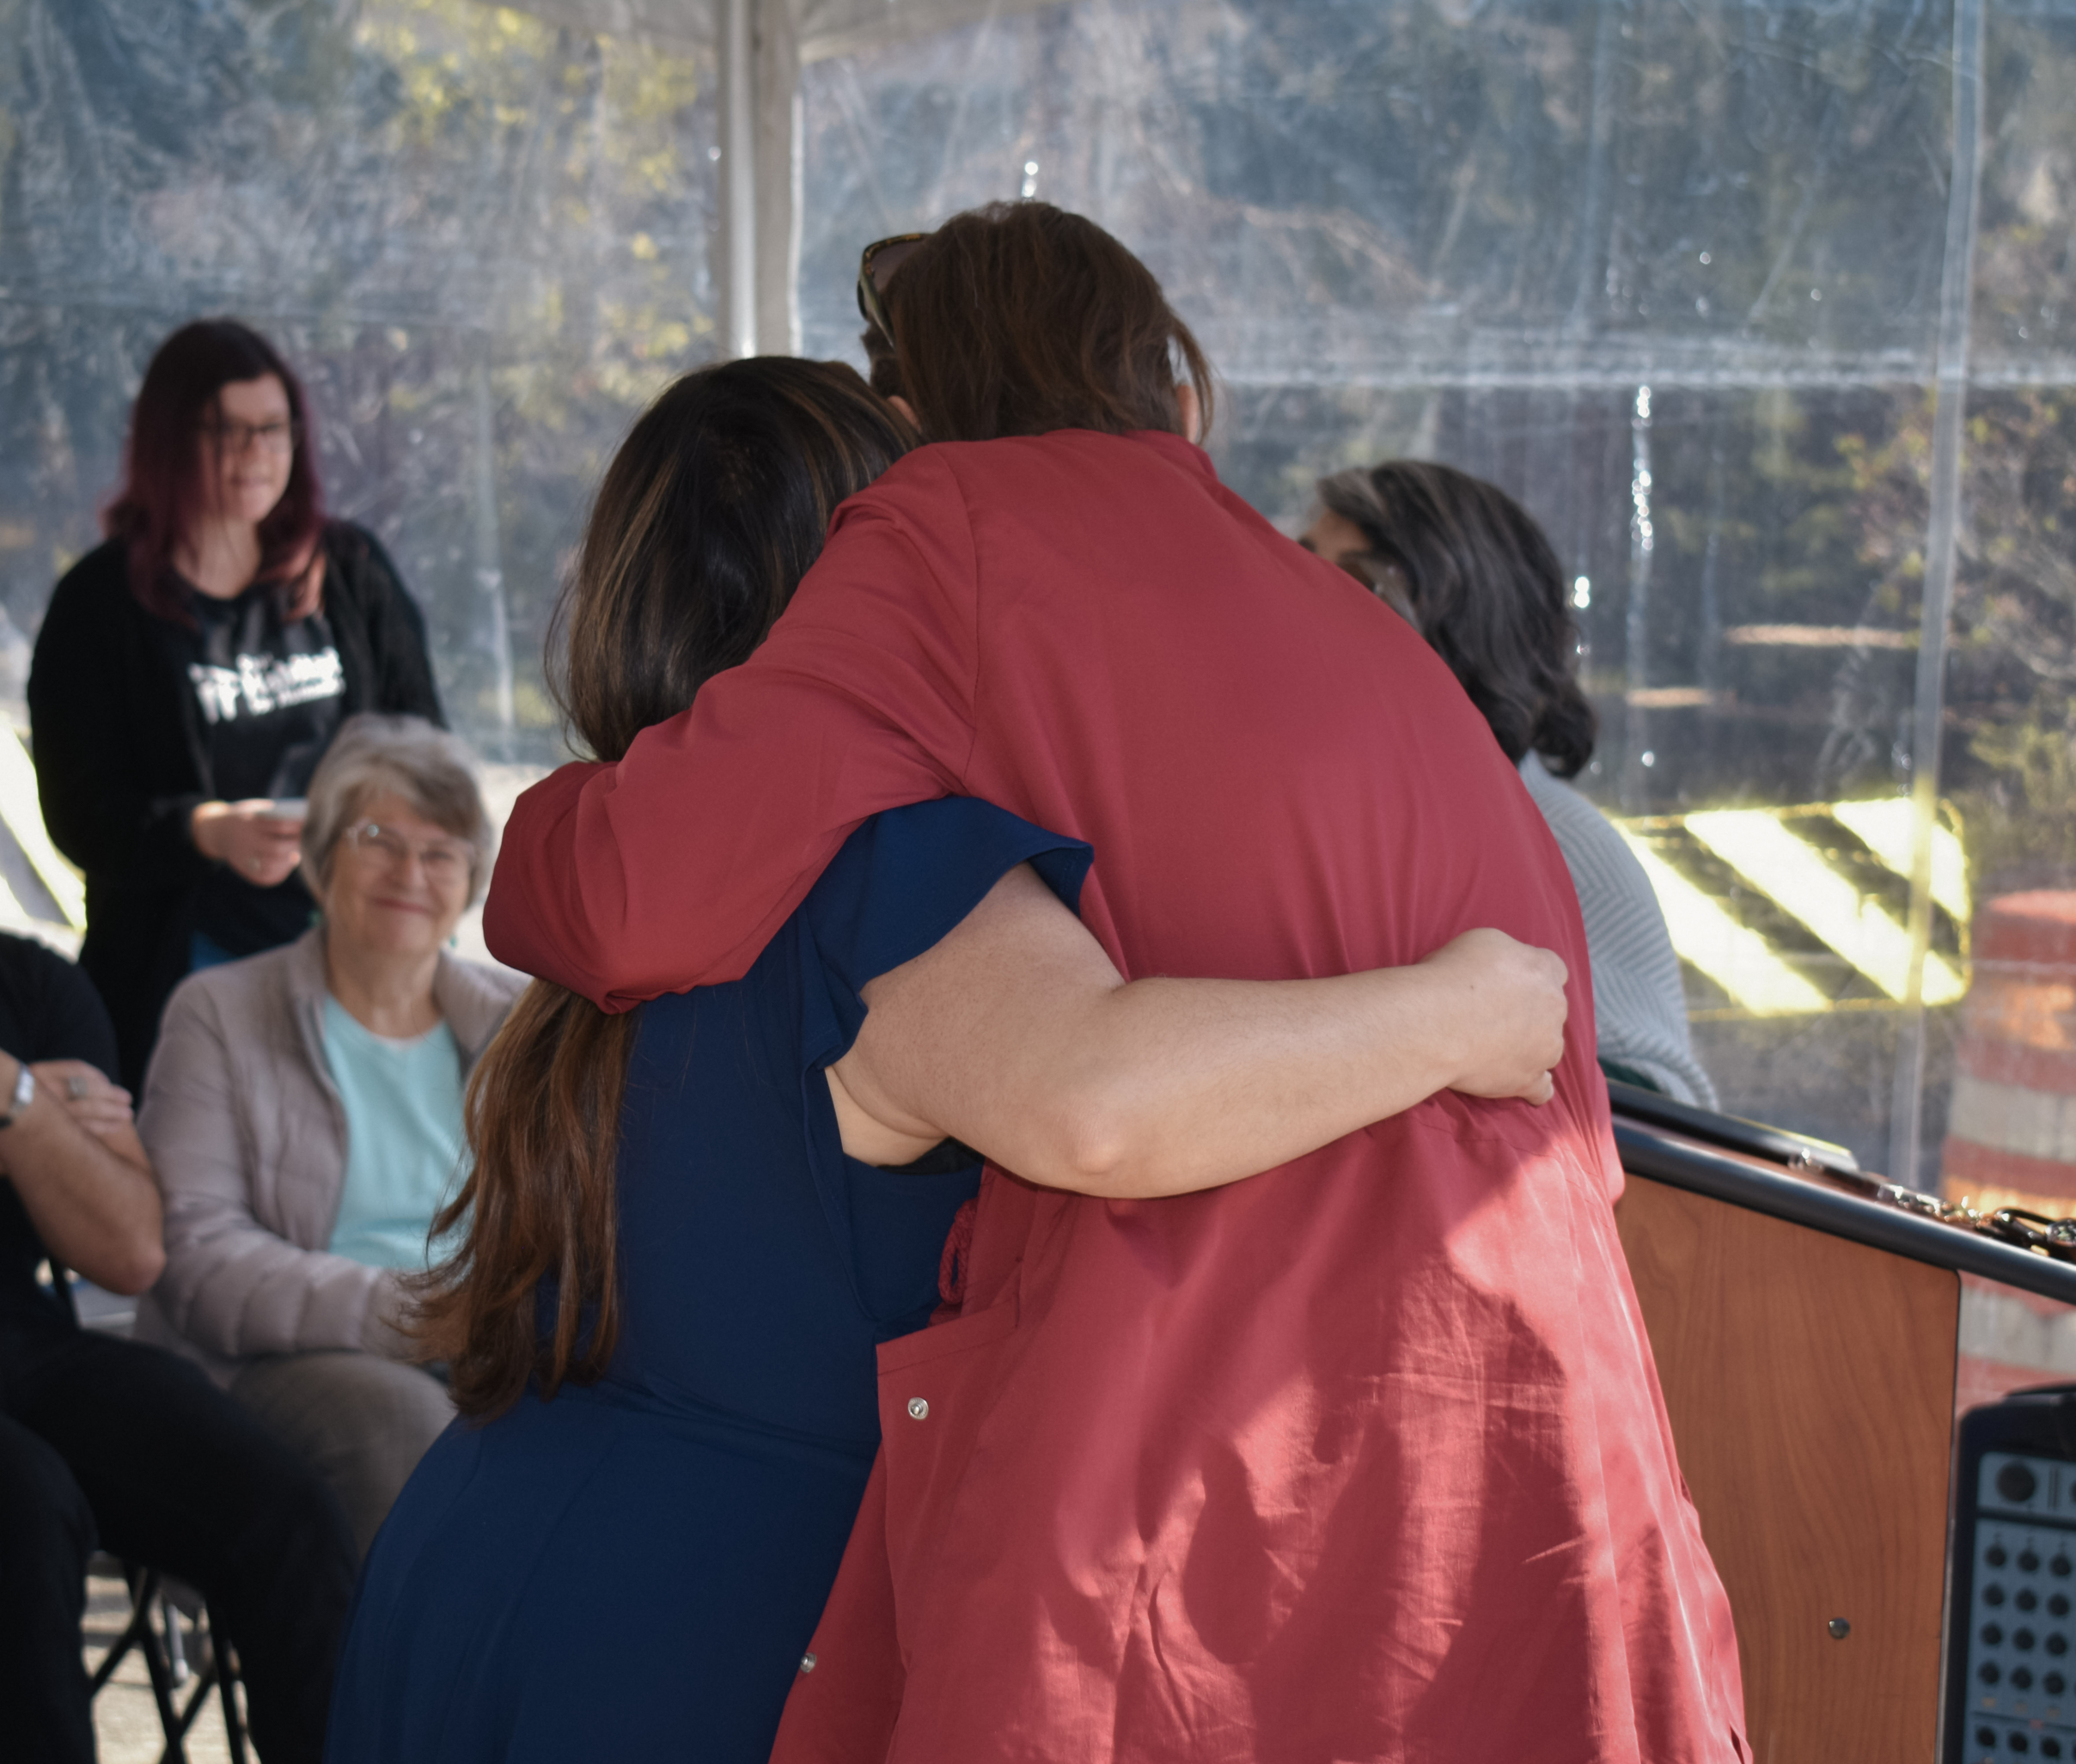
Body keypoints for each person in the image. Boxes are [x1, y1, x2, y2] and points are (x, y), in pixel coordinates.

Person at [480, 205, 1749, 1762]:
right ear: (1175, 390)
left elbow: (622, 898)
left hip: (1229, 1456)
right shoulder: (1359, 635)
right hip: (1541, 1436)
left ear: (912, 408)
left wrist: (525, 830)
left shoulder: (948, 532)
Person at [322, 357, 1571, 1762]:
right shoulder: (876, 864)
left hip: (483, 1552)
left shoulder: (614, 853)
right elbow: (1095, 1098)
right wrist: (1462, 1010)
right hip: (712, 1635)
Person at [0, 637, 355, 1764]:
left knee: (284, 1507)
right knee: (22, 1506)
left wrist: (1, 1091)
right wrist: (4, 1125)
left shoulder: (29, 984)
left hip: (24, 1343)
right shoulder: (21, 1049)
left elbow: (132, 1249)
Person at [28, 317, 444, 1093]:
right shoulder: (97, 605)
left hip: (354, 941)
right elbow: (80, 814)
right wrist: (207, 831)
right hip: (186, 965)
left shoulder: (348, 571)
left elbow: (425, 749)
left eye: (272, 429)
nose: (255, 452)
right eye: (226, 431)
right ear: (168, 442)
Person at [135, 714, 514, 1554]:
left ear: (472, 876)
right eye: (378, 837)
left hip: (483, 1350)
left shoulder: (522, 1022)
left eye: (442, 848)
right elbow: (196, 1256)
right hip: (271, 1362)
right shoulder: (221, 1010)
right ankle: (392, 1688)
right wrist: (411, 1314)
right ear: (319, 854)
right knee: (404, 1424)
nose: (410, 871)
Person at [1303, 460, 1719, 1108]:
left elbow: (1664, 1122)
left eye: (1359, 586)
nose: (1297, 613)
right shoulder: (1325, 825)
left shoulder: (1563, 842)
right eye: (1296, 570)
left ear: (1463, 627)